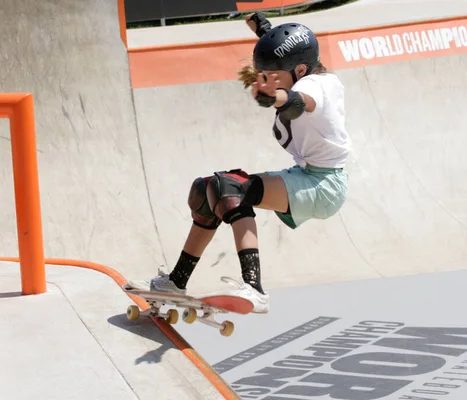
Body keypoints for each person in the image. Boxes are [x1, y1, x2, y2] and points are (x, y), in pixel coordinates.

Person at [130, 13, 351, 313]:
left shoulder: (318, 85)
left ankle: (254, 289)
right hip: (308, 175)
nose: (270, 80)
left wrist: (277, 98)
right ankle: (176, 281)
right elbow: (280, 50)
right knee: (207, 190)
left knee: (231, 188)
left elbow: (299, 103)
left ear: (300, 70)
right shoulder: (299, 67)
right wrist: (262, 29)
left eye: (275, 76)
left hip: (324, 185)